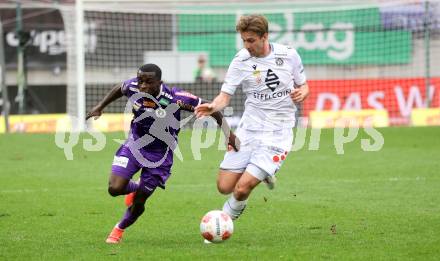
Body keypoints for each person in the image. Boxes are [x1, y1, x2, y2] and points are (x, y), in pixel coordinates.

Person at [86, 63, 239, 244]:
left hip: (160, 156)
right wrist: (100, 106)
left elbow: (212, 109)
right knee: (115, 188)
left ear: (160, 82)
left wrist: (229, 135)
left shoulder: (176, 98)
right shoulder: (133, 86)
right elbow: (120, 88)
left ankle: (119, 229)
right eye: (140, 80)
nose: (143, 86)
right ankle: (136, 187)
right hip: (135, 145)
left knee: (139, 202)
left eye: (148, 82)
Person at [195, 14, 310, 221]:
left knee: (240, 189)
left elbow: (304, 85)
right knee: (224, 187)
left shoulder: (289, 55)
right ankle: (263, 172)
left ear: (264, 37)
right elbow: (224, 97)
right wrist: (213, 106)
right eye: (244, 40)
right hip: (249, 129)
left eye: (251, 40)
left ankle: (222, 223)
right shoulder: (241, 60)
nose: (246, 45)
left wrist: (303, 92)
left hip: (278, 133)